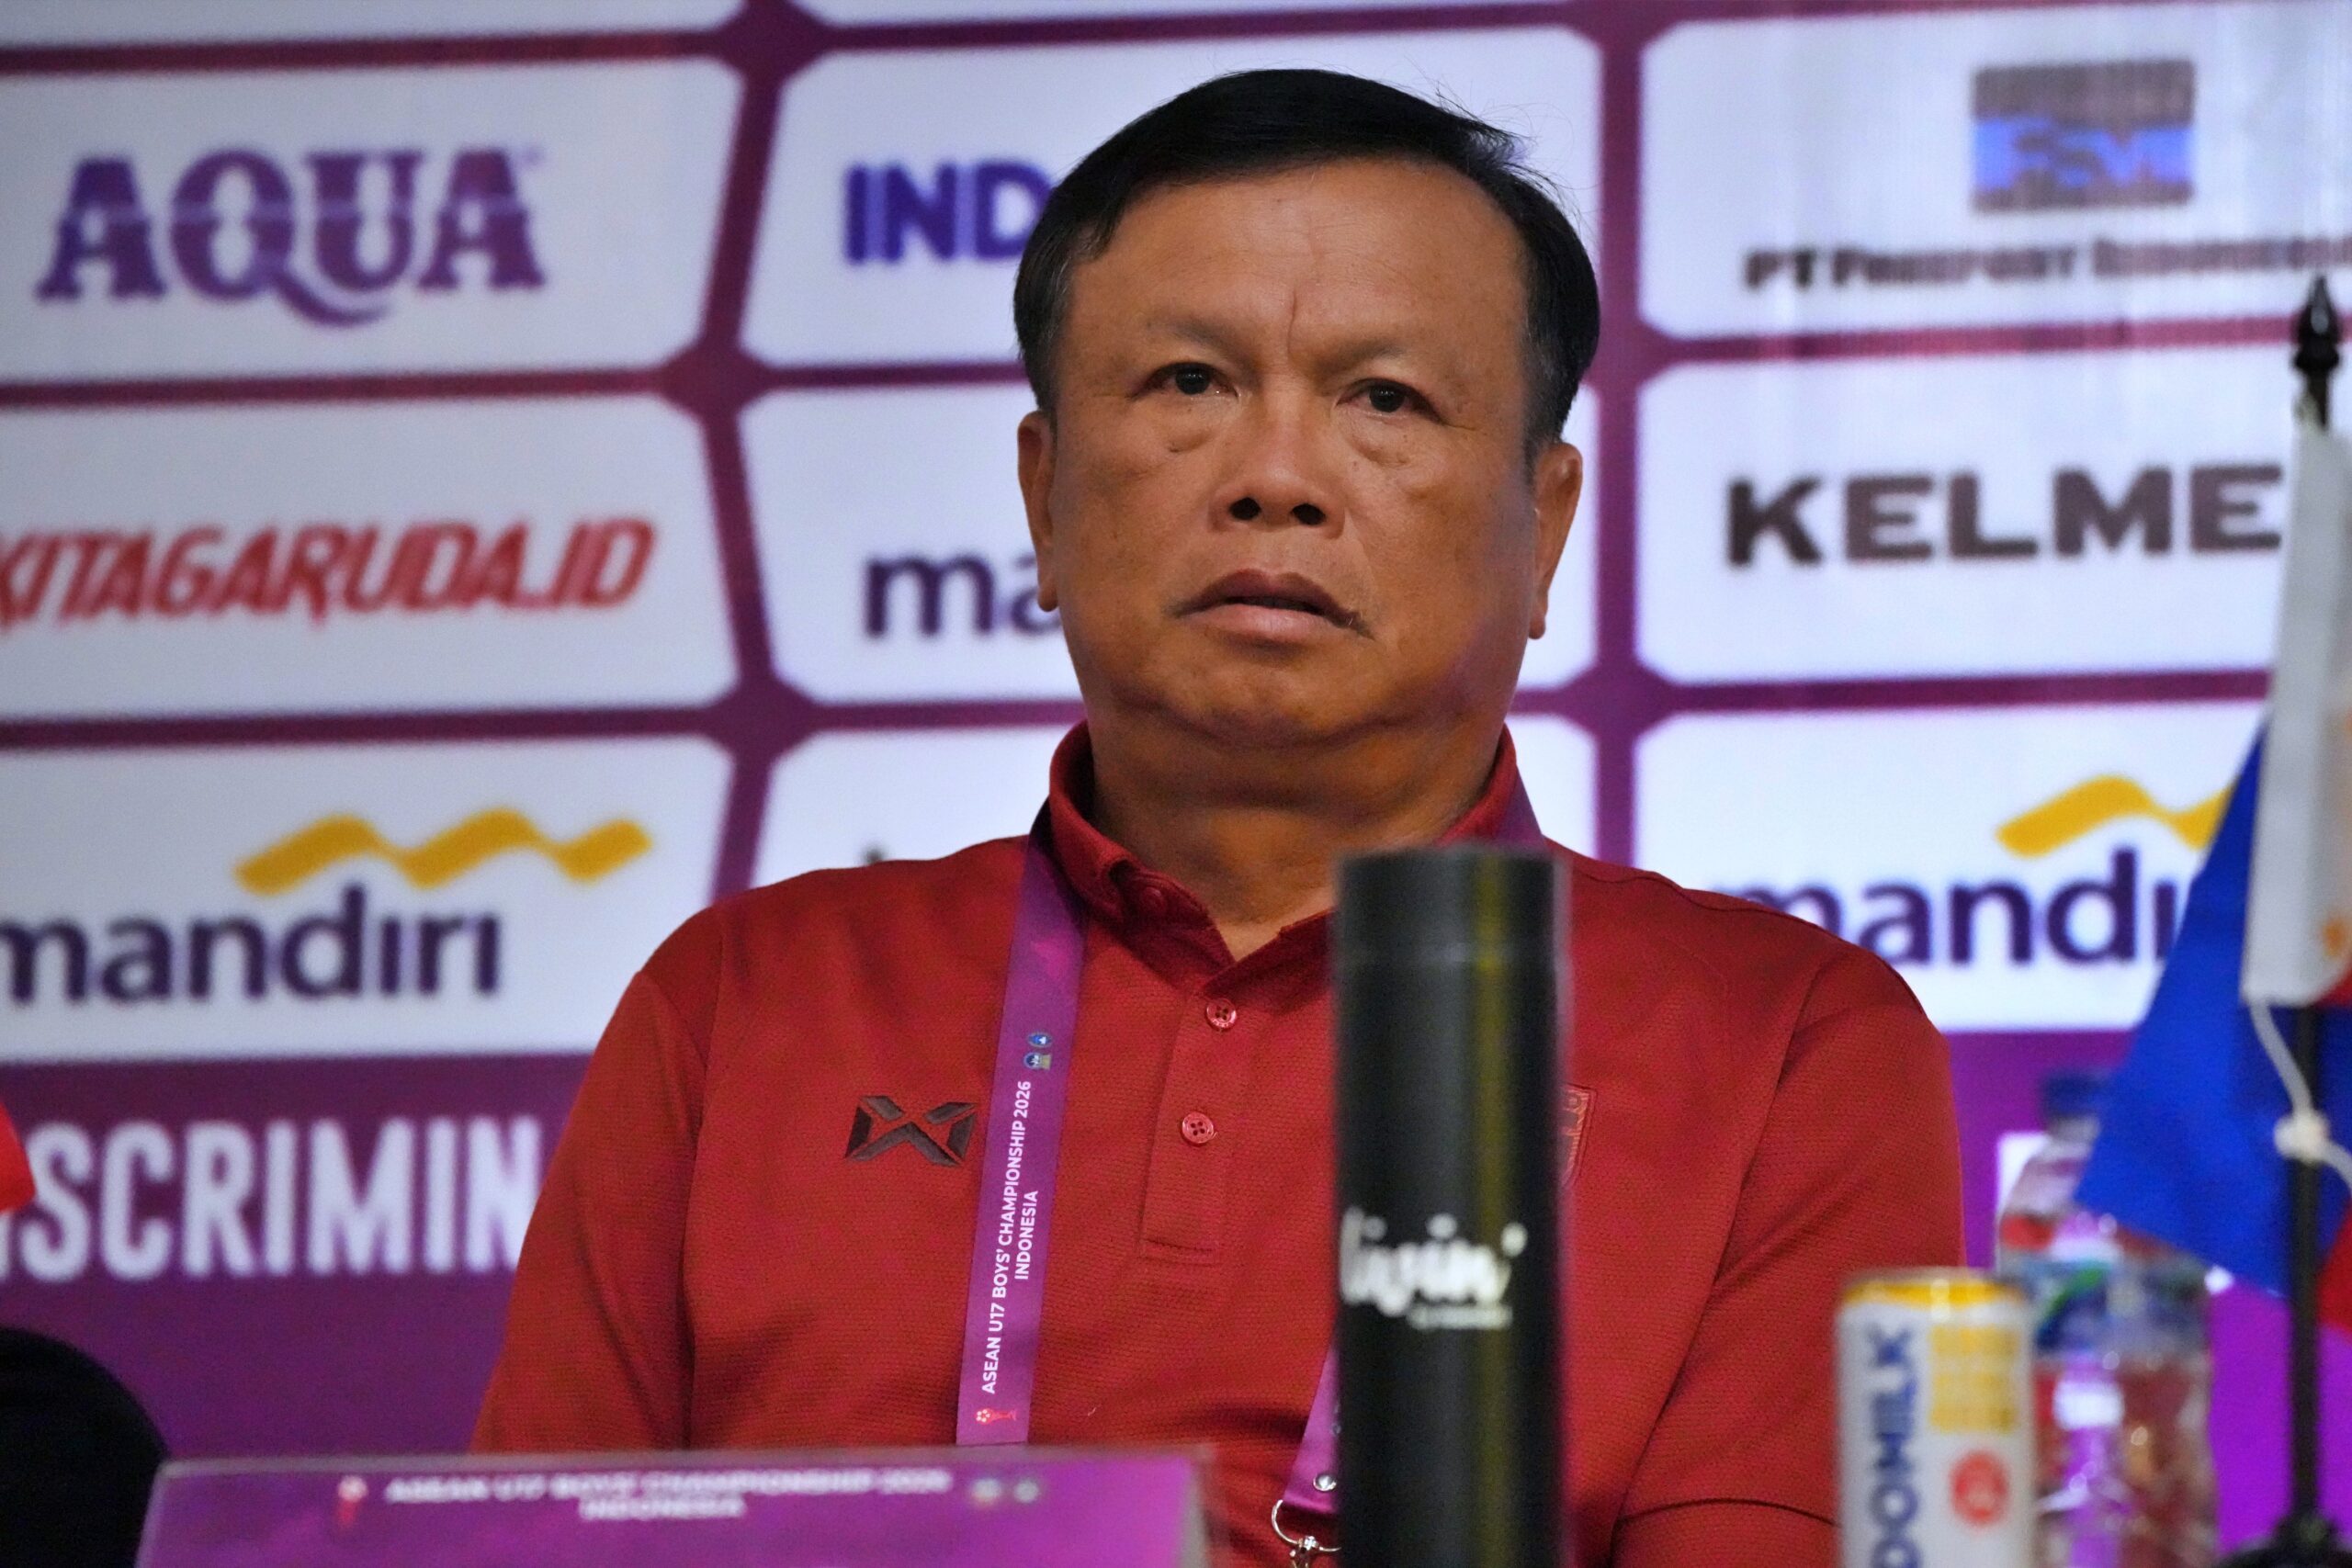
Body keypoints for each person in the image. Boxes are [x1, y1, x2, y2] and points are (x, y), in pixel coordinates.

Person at [474, 68, 1962, 1565]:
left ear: (1545, 528)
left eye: (1386, 399)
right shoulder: (747, 1002)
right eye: (1189, 384)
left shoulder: (1782, 1045)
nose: (1275, 479)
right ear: (1043, 497)